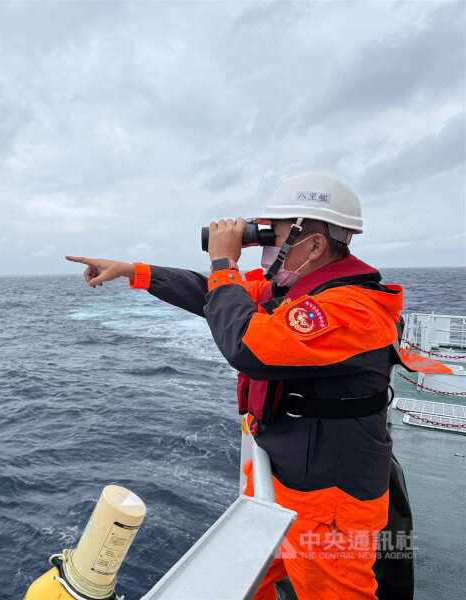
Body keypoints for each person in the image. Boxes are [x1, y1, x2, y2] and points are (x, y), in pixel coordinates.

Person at [66, 172, 418, 600]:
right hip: (282, 478)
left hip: (330, 503)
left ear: (314, 244)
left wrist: (225, 263)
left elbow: (249, 347)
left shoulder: (352, 307)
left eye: (276, 233)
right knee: (250, 582)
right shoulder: (295, 289)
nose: (267, 244)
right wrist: (133, 271)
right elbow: (213, 294)